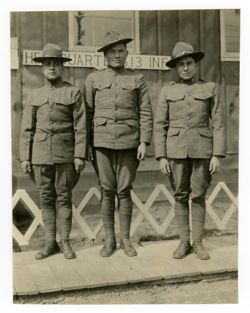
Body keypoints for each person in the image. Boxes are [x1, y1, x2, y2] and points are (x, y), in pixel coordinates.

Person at [154, 41, 226, 260]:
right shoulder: (167, 91)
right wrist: (161, 156)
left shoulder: (209, 88)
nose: (185, 68)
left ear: (196, 65)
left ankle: (198, 243)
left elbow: (218, 122)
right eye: (181, 64)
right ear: (175, 68)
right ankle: (184, 243)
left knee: (199, 196)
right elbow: (159, 124)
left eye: (189, 63)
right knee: (180, 196)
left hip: (203, 149)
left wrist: (217, 154)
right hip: (175, 151)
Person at [84, 31, 153, 257]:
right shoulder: (94, 79)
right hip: (101, 142)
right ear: (105, 55)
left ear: (126, 53)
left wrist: (144, 141)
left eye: (121, 51)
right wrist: (87, 147)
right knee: (106, 190)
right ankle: (109, 241)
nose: (117, 55)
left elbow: (145, 111)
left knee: (124, 190)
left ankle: (125, 239)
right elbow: (87, 114)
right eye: (112, 51)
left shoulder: (137, 78)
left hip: (129, 141)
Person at [19, 43, 87, 260]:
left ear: (62, 67)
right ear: (42, 68)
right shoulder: (34, 95)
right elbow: (26, 128)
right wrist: (25, 157)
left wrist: (79, 154)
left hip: (65, 154)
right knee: (46, 198)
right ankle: (50, 243)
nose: (52, 68)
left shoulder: (73, 92)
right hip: (39, 155)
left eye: (56, 64)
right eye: (48, 64)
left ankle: (65, 242)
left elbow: (81, 126)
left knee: (64, 198)